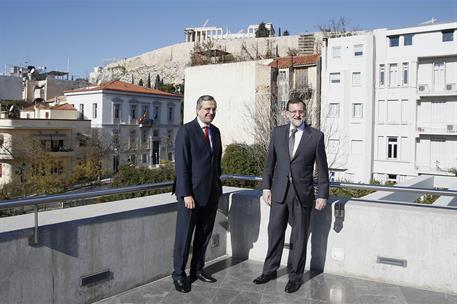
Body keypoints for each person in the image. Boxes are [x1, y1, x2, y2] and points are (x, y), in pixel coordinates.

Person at [253, 97, 329, 293]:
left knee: (299, 237)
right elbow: (269, 163)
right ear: (287, 113)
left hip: (302, 194)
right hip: (279, 192)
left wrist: (322, 195)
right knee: (274, 233)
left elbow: (322, 169)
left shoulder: (316, 136)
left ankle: (295, 277)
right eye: (293, 111)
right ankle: (269, 270)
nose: (297, 115)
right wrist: (266, 187)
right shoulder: (278, 133)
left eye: (300, 111)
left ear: (305, 112)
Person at [171, 95, 222, 293]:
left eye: (214, 109)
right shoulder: (186, 131)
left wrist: (217, 188)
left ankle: (197, 269)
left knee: (204, 234)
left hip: (211, 193)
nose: (211, 112)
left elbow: (216, 163)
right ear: (198, 109)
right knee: (184, 237)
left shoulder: (215, 132)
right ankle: (178, 274)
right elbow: (182, 166)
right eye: (207, 109)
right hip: (190, 196)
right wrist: (186, 194)